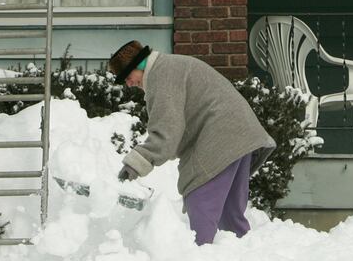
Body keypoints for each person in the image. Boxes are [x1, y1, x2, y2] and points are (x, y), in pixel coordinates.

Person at [108, 40, 276, 246]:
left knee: (200, 198)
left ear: (139, 64)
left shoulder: (161, 75)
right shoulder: (169, 66)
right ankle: (242, 252)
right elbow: (177, 129)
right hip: (240, 133)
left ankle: (201, 253)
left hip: (222, 134)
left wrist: (136, 163)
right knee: (230, 213)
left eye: (128, 77)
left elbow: (166, 131)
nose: (128, 84)